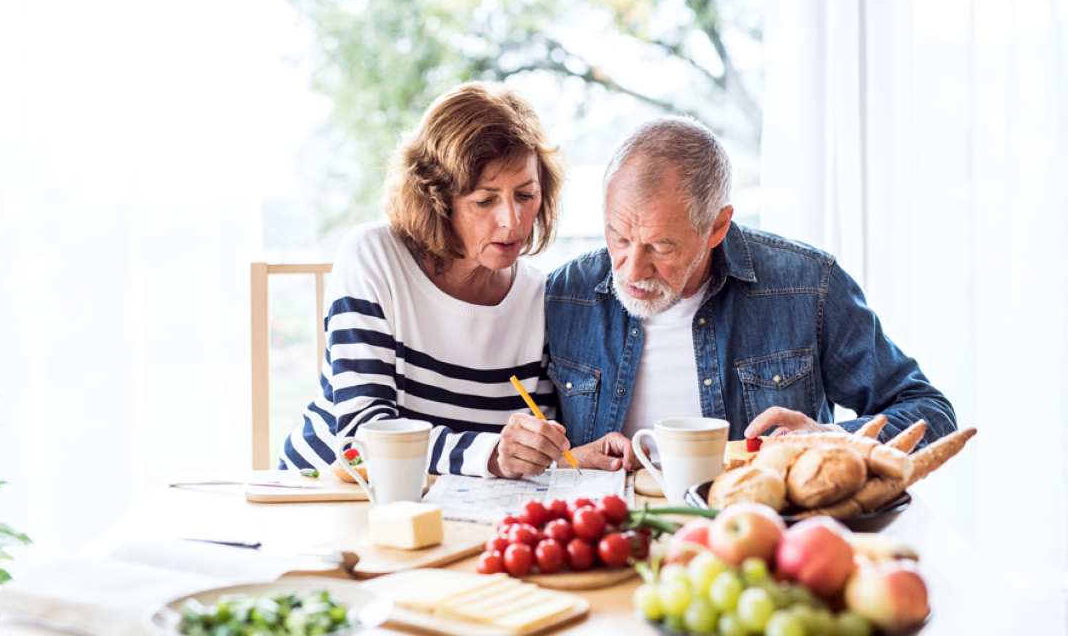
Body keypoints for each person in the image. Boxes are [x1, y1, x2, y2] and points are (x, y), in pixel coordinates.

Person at [545, 116, 957, 464]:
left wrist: (830, 440)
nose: (632, 269)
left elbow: (931, 413)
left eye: (661, 246)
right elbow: (522, 452)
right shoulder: (565, 295)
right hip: (606, 542)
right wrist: (565, 460)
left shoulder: (806, 286)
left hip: (768, 537)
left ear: (718, 227)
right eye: (617, 237)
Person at [281, 81, 581, 479]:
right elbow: (362, 438)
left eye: (525, 195)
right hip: (325, 491)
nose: (512, 220)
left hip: (450, 507)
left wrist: (555, 453)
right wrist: (490, 455)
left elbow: (529, 449)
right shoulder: (374, 257)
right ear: (437, 200)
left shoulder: (538, 298)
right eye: (484, 200)